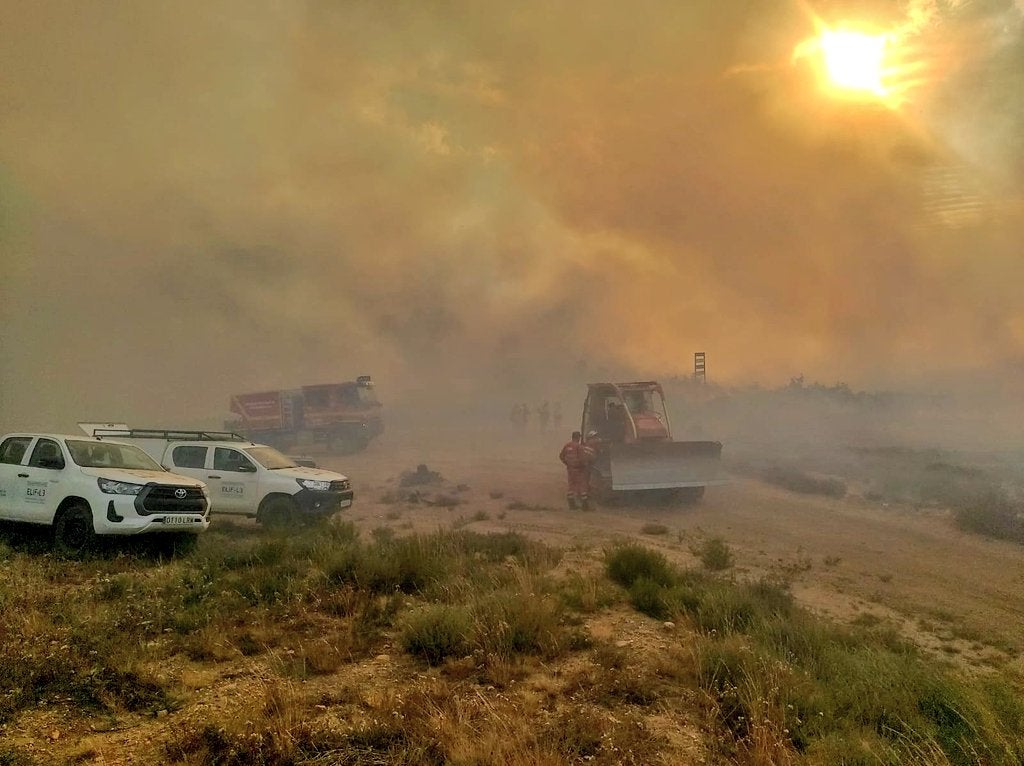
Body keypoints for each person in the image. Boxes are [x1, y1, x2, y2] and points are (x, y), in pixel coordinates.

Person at [558, 430, 595, 510]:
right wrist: (585, 466)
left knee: (571, 485)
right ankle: (585, 506)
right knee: (582, 485)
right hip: (579, 469)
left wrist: (567, 464)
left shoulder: (567, 445)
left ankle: (571, 504)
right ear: (578, 437)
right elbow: (582, 458)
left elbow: (561, 456)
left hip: (570, 469)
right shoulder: (579, 447)